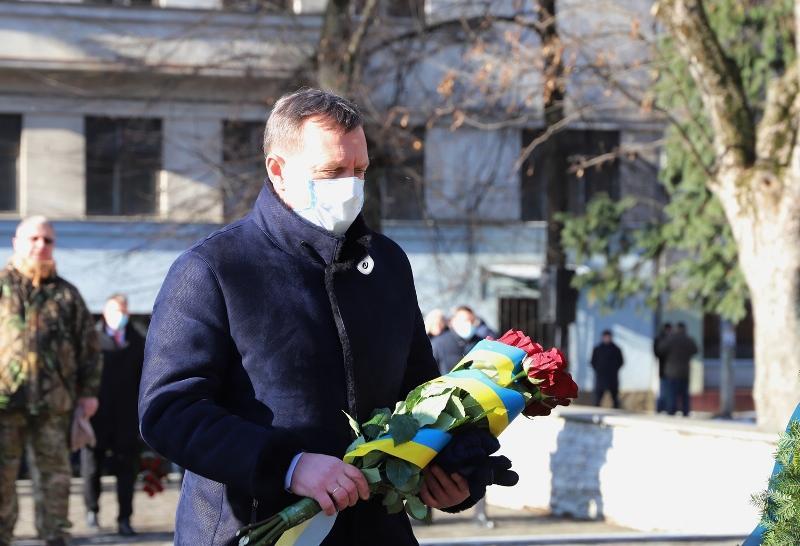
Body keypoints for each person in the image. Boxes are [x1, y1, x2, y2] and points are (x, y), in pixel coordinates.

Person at [138, 89, 500, 546]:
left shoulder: (387, 264)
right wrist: (288, 465)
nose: (350, 186)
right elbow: (169, 411)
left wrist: (455, 471)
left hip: (375, 533)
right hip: (253, 529)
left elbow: (422, 393)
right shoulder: (214, 268)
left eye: (360, 171)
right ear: (278, 170)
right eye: (331, 172)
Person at [0, 216, 102, 546]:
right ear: (16, 242)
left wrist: (89, 393)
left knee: (56, 479)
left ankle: (54, 536)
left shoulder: (67, 294)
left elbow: (89, 348)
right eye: (33, 239)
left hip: (54, 405)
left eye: (47, 240)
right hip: (4, 403)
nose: (40, 245)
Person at [82, 294, 144, 536]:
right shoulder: (91, 340)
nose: (119, 316)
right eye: (114, 311)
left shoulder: (138, 341)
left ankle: (125, 518)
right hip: (96, 414)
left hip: (126, 417)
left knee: (126, 469)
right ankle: (92, 510)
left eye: (122, 311)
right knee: (91, 466)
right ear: (104, 313)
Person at [657, 322, 698, 416]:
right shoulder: (688, 339)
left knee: (672, 394)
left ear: (676, 329)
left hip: (671, 371)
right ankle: (685, 411)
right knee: (684, 394)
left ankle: (671, 411)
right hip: (684, 372)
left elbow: (660, 349)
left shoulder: (670, 339)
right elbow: (695, 350)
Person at [431, 306, 483, 376]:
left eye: (472, 321)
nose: (469, 324)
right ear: (453, 321)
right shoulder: (439, 343)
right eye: (465, 320)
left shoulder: (480, 343)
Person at [590, 329, 624, 409]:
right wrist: (598, 369)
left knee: (614, 396)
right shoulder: (598, 349)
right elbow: (593, 361)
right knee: (598, 397)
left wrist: (615, 369)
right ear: (603, 337)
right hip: (601, 376)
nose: (607, 338)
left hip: (612, 376)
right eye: (605, 337)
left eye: (608, 337)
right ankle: (595, 411)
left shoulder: (616, 349)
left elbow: (621, 361)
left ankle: (616, 410)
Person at [653, 323, 672, 413]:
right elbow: (657, 352)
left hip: (669, 369)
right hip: (664, 368)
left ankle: (665, 407)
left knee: (666, 390)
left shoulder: (668, 339)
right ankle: (661, 407)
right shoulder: (663, 339)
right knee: (663, 390)